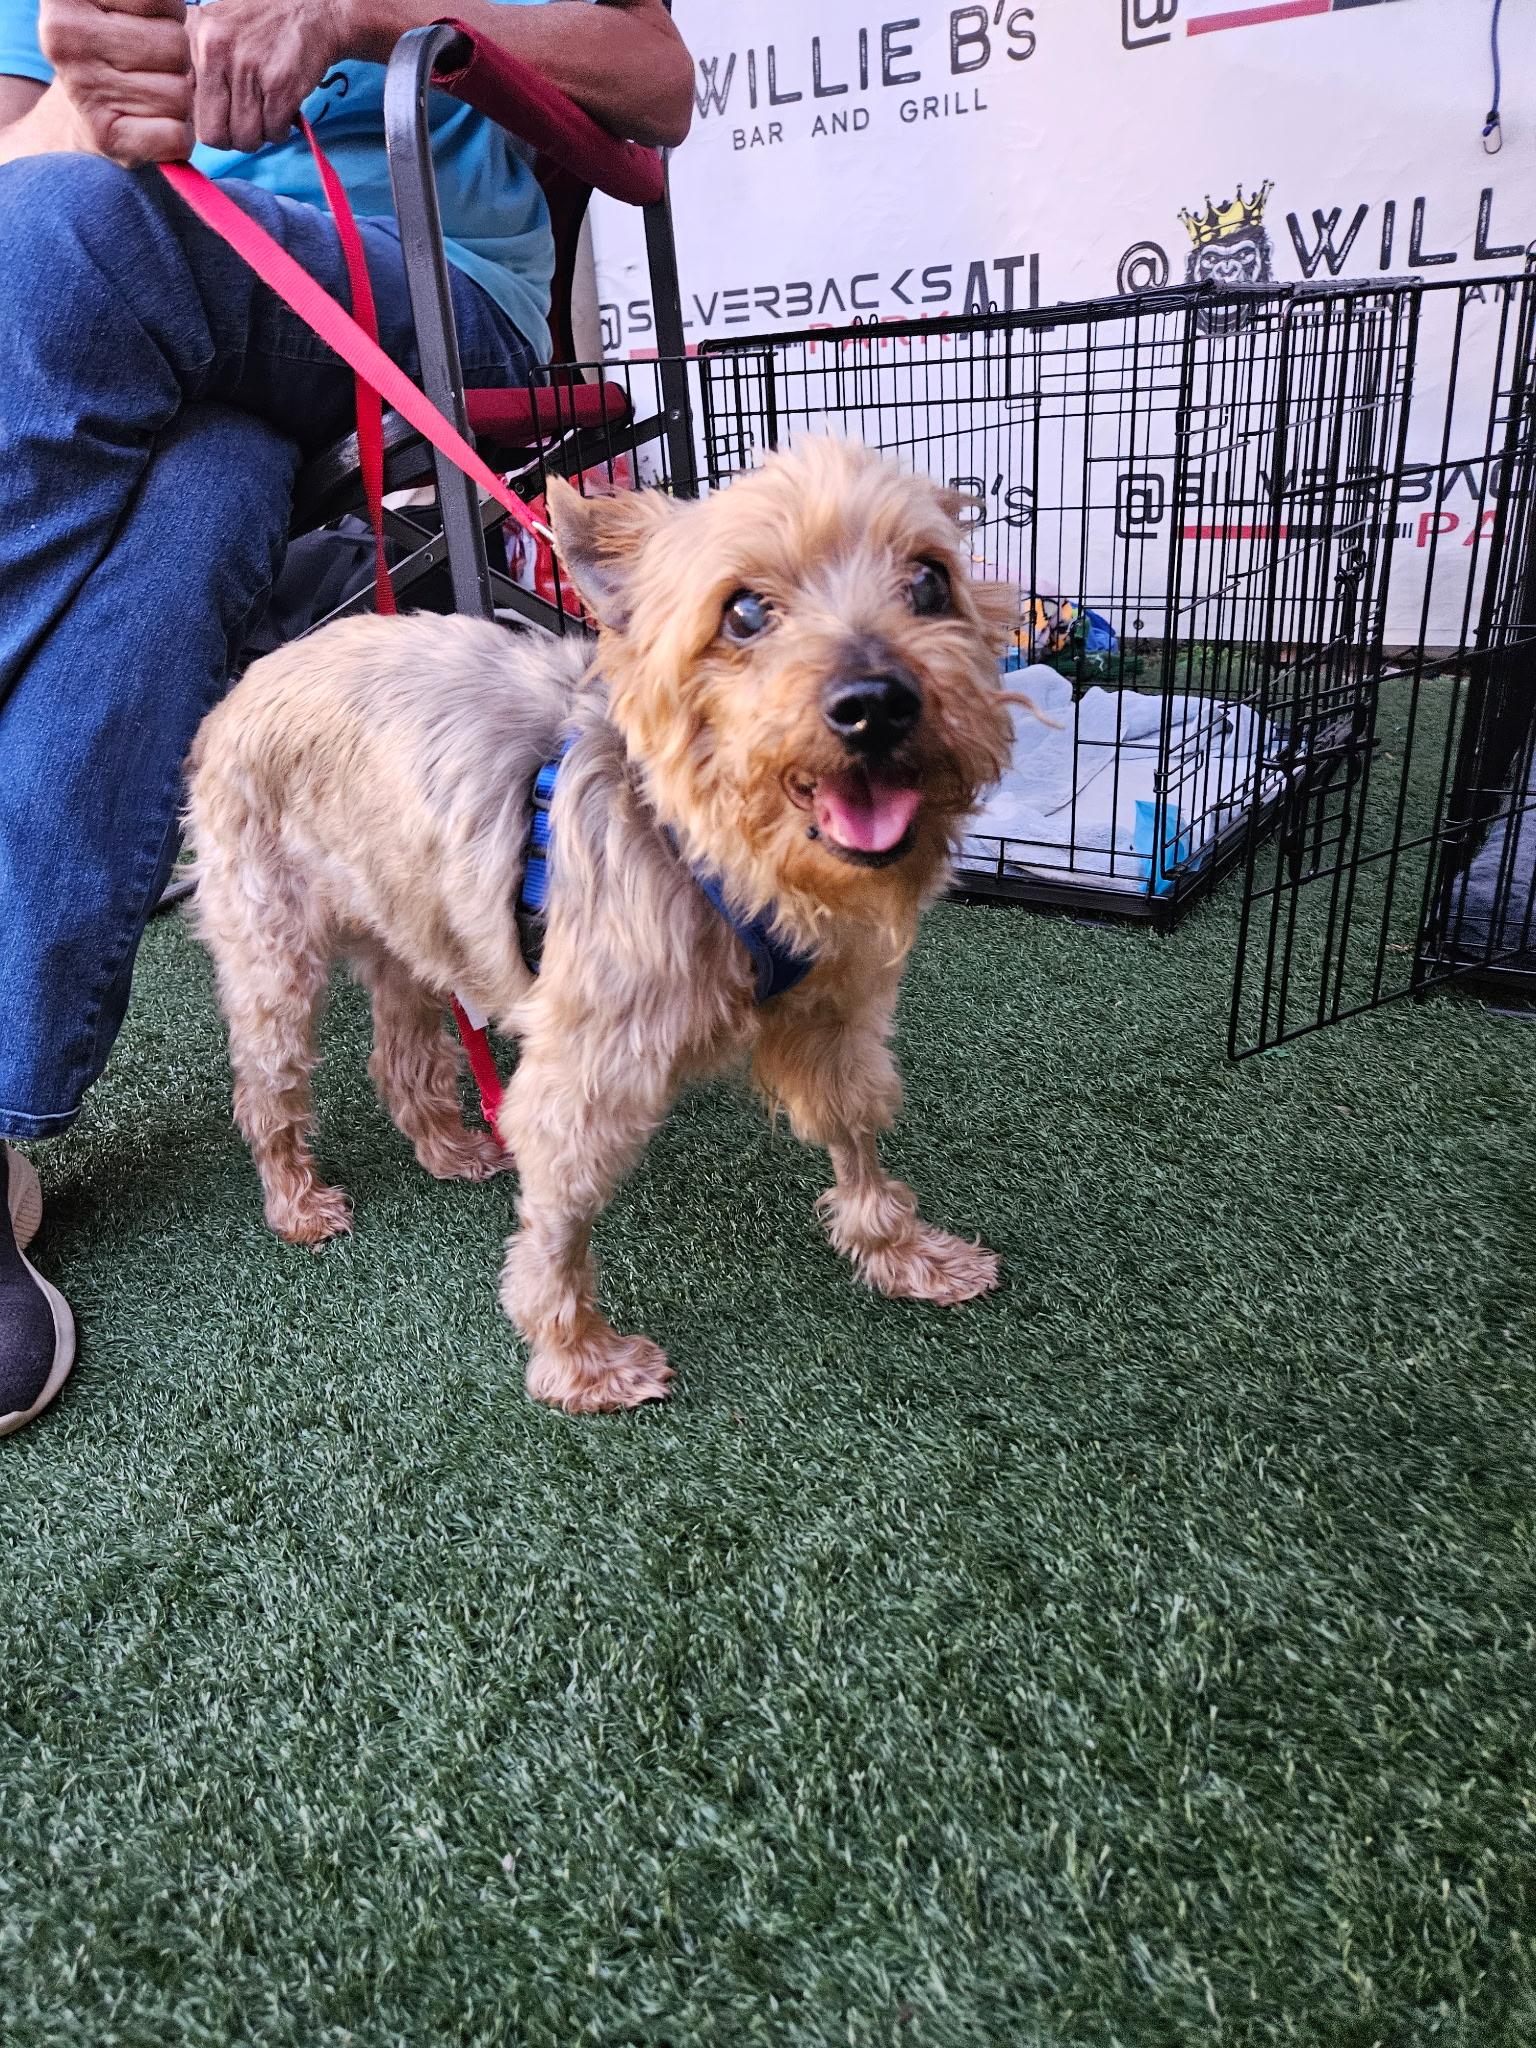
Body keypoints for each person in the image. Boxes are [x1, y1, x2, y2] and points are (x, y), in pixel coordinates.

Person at [0, 0, 694, 1436]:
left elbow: (656, 84)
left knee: (69, 237)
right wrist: (101, 102)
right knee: (195, 511)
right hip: (160, 308)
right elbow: (20, 161)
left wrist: (357, 17)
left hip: (413, 279)